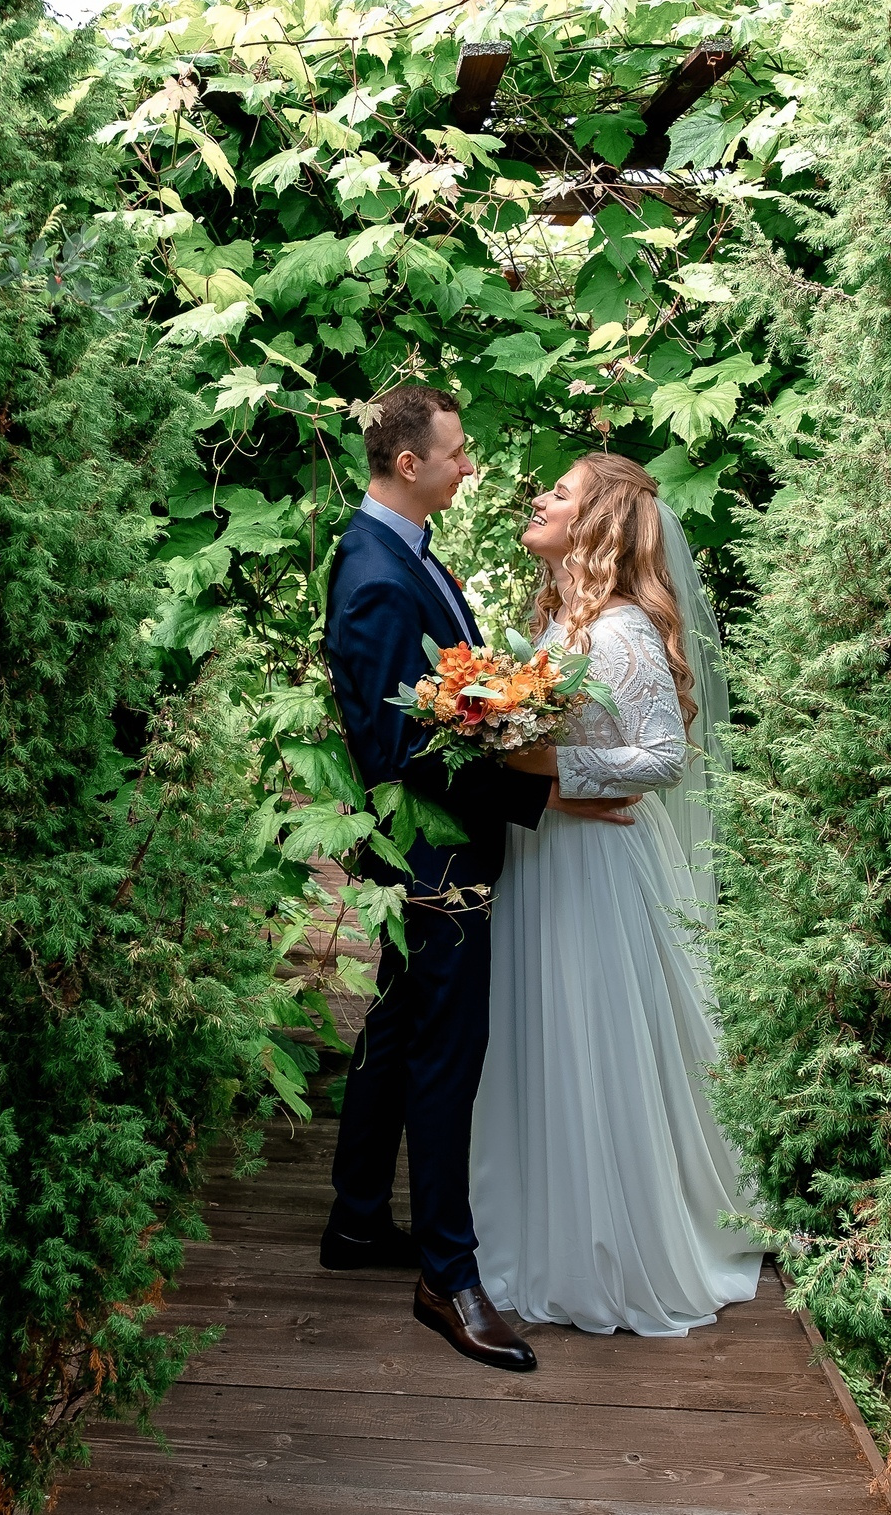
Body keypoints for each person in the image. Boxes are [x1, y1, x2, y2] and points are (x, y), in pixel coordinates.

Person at [317, 386, 640, 1374]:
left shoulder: (405, 548)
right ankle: (446, 1277)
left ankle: (360, 1222)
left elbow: (440, 698)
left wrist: (502, 715)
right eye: (456, 454)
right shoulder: (374, 571)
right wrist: (532, 790)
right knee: (443, 1060)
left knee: (396, 1028)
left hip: (439, 848)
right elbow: (390, 751)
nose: (471, 467)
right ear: (409, 464)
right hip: (435, 858)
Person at [471, 451, 765, 1335]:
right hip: (549, 854)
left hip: (597, 864)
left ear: (598, 521)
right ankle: (543, 1227)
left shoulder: (623, 631)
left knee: (592, 1036)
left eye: (557, 491)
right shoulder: (564, 626)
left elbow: (664, 756)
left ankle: (610, 1247)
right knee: (546, 1033)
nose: (537, 494)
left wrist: (556, 769)